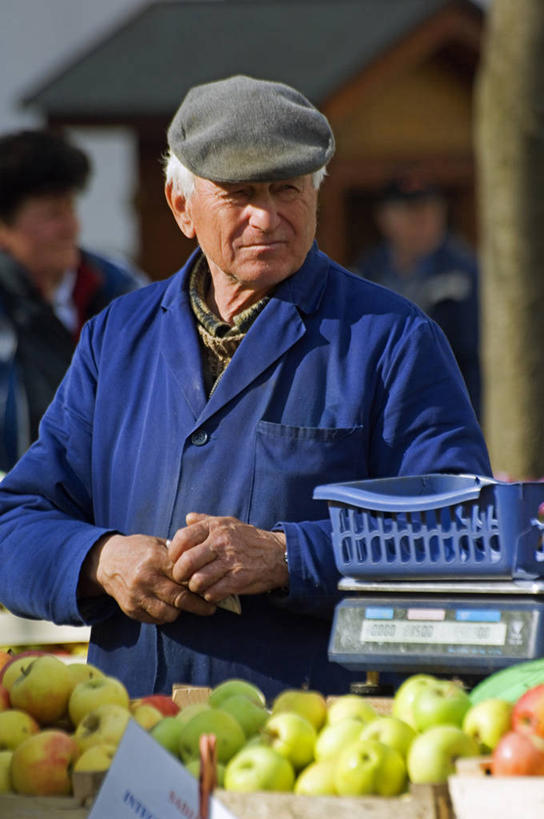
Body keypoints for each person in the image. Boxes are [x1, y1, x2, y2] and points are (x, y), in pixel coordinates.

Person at [0, 76, 491, 700]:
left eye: (288, 189)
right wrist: (100, 560)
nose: (268, 216)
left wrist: (287, 556)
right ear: (182, 207)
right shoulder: (116, 336)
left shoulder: (392, 338)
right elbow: (15, 523)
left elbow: (460, 532)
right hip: (131, 731)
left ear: (315, 195)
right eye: (239, 194)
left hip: (310, 737)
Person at [0, 128, 146, 470]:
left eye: (70, 208)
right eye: (52, 214)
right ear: (4, 228)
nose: (71, 227)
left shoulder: (121, 289)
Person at [354, 172, 481, 417]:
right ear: (384, 217)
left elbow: (475, 361)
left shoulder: (466, 273)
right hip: (382, 409)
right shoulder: (365, 272)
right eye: (410, 212)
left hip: (447, 409)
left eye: (431, 210)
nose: (422, 220)